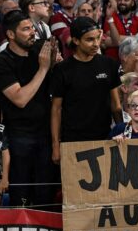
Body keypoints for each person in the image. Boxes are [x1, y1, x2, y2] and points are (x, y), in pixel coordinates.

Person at [0, 10, 57, 207]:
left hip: (45, 131)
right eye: (26, 29)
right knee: (22, 191)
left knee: (45, 190)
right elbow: (20, 99)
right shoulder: (1, 62)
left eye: (32, 28)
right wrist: (43, 68)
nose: (32, 33)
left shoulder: (38, 50)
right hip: (19, 135)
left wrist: (53, 60)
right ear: (11, 34)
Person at [51, 17, 123, 164]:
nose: (96, 44)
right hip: (73, 140)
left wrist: (122, 132)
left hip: (105, 137)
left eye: (98, 38)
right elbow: (56, 109)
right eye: (89, 40)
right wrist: (55, 145)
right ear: (76, 41)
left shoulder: (109, 64)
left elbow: (116, 105)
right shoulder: (62, 70)